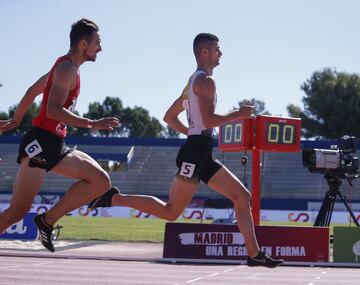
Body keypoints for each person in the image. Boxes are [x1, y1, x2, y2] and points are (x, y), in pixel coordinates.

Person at [89, 33, 284, 267]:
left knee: (242, 196)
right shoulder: (206, 82)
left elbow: (169, 117)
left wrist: (191, 131)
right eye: (217, 49)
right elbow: (209, 120)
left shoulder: (193, 81)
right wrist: (238, 115)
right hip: (195, 153)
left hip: (200, 151)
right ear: (204, 52)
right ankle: (113, 198)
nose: (221, 53)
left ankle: (254, 254)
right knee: (171, 212)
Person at [0, 19, 119, 252]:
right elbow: (53, 110)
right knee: (15, 213)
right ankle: (43, 221)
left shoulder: (65, 68)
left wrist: (16, 120)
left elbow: (32, 91)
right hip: (41, 144)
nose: (101, 48)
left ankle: (46, 221)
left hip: (56, 143)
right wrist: (92, 123)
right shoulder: (66, 69)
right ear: (83, 43)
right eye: (98, 43)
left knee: (101, 180)